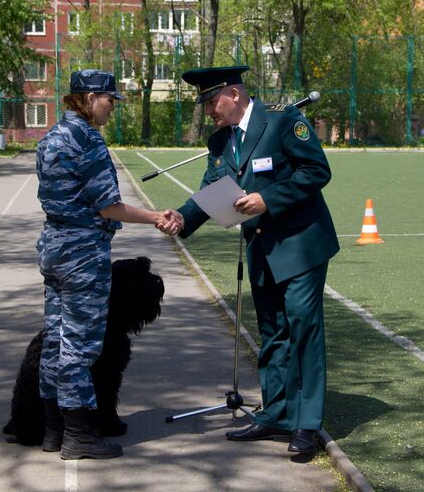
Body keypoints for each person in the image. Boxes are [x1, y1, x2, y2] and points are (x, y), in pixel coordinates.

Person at [174, 66, 339, 454]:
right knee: (273, 332)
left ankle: (306, 423)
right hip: (261, 246)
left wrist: (269, 199)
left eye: (212, 102)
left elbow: (317, 171)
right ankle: (277, 413)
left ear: (233, 93)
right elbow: (211, 190)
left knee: (303, 329)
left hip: (300, 244)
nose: (209, 111)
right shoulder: (220, 142)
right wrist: (182, 218)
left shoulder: (282, 120)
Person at [36, 69, 182, 460]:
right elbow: (109, 206)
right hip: (83, 254)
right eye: (109, 100)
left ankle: (53, 430)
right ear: (88, 98)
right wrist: (154, 216)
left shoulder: (51, 137)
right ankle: (79, 436)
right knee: (80, 349)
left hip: (54, 247)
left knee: (54, 341)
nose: (112, 107)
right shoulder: (88, 142)